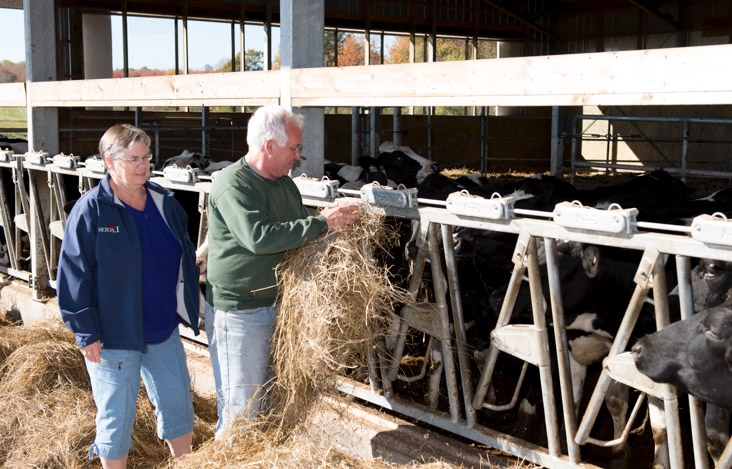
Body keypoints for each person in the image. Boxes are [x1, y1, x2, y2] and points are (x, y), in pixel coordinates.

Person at [206, 104, 359, 436]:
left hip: (279, 307)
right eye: (295, 148)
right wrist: (321, 223)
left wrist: (329, 222)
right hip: (241, 312)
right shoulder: (234, 184)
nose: (299, 156)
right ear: (269, 146)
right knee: (242, 413)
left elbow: (300, 228)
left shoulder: (284, 185)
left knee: (272, 403)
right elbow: (258, 238)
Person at [57, 124, 201, 468]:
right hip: (113, 335)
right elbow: (74, 274)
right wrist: (85, 331)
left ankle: (186, 464)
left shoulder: (165, 203)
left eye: (146, 157)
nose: (143, 164)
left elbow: (184, 253)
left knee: (178, 405)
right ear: (110, 161)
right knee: (116, 417)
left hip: (162, 328)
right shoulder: (92, 210)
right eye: (133, 158)